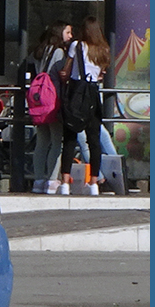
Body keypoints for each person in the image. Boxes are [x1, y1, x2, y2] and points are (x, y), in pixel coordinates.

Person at [58, 16, 110, 196]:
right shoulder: (103, 50)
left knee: (70, 138)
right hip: (93, 95)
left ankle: (65, 183)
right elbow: (102, 73)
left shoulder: (77, 46)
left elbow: (66, 69)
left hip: (76, 94)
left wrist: (65, 76)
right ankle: (94, 183)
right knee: (94, 140)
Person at [29, 20, 71, 194]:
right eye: (68, 32)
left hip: (39, 101)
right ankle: (52, 180)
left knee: (41, 141)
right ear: (60, 32)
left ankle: (38, 180)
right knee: (56, 142)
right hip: (53, 101)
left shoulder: (43, 50)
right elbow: (61, 76)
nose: (70, 36)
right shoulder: (59, 52)